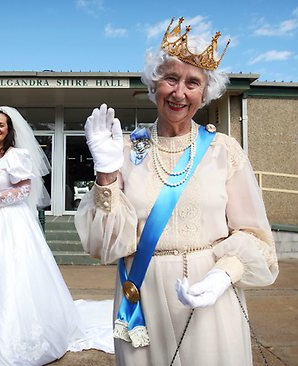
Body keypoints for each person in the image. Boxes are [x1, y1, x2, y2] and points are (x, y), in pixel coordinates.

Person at [75, 17, 279, 366]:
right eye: (171, 78)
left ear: (206, 91)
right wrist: (107, 172)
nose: (180, 92)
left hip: (209, 296)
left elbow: (256, 236)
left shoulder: (223, 150)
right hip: (144, 297)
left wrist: (223, 274)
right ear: (154, 85)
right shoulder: (126, 150)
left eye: (192, 82)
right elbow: (103, 246)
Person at [0, 106, 86, 365]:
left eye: (1, 125)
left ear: (9, 129)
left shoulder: (17, 156)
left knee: (11, 275)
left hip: (11, 223)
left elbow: (23, 191)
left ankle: (12, 338)